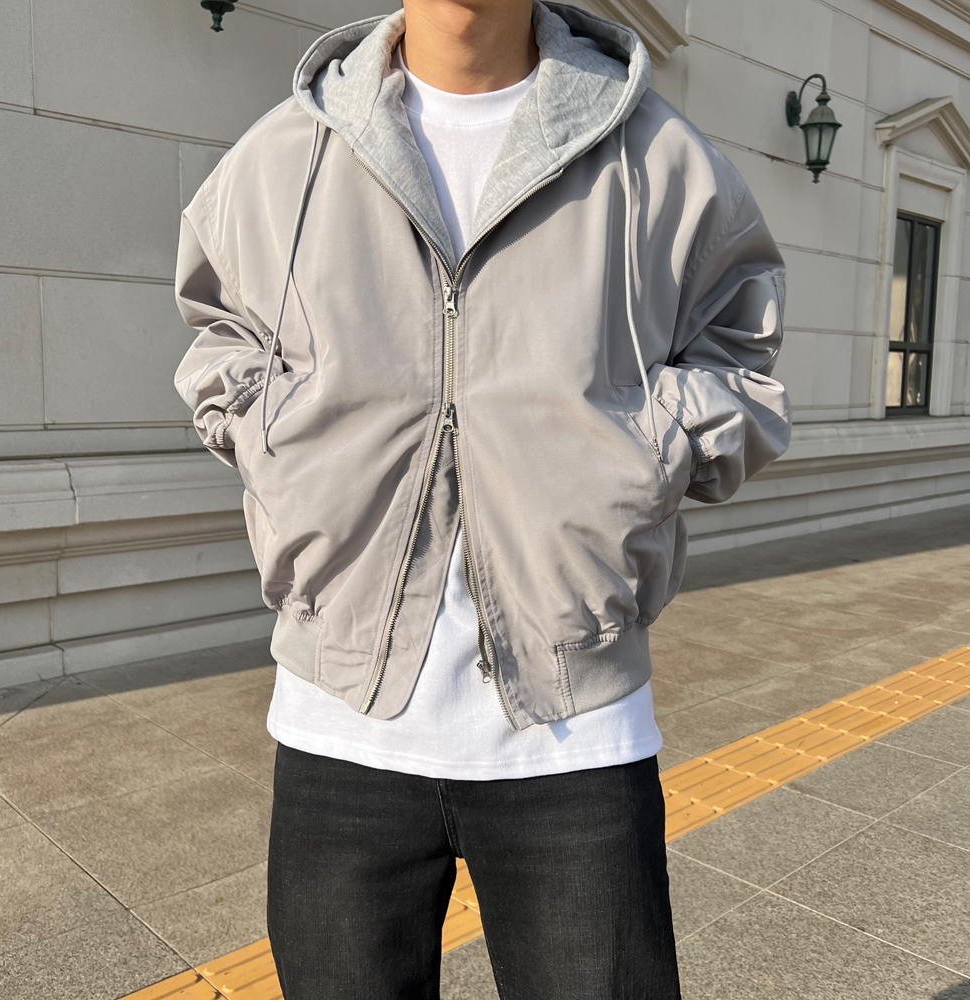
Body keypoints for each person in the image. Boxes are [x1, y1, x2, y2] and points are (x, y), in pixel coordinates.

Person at [174, 1, 791, 996]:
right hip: (340, 729)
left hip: (575, 733)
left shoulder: (656, 155)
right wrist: (281, 445)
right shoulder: (289, 153)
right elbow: (219, 335)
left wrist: (639, 454)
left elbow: (741, 353)